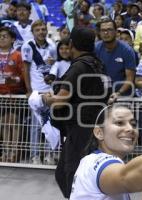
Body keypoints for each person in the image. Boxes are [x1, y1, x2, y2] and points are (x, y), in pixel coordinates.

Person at [41, 27, 111, 198]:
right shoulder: (98, 64)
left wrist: (46, 99)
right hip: (95, 127)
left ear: (72, 43)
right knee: (67, 174)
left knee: (71, 175)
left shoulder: (79, 66)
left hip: (80, 129)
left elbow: (59, 102)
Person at [21, 20, 57, 165]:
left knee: (51, 124)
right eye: (38, 30)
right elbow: (25, 69)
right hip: (36, 92)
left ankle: (50, 154)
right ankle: (34, 156)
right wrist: (29, 90)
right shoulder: (27, 46)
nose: (41, 32)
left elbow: (56, 66)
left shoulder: (53, 46)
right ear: (33, 32)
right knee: (36, 126)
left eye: (43, 29)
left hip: (50, 91)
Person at [0, 26, 25, 163]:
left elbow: (22, 76)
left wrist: (13, 79)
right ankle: (5, 151)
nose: (2, 38)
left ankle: (15, 152)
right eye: (0, 36)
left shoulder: (17, 55)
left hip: (14, 94)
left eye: (5, 36)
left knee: (13, 122)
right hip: (0, 96)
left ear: (13, 39)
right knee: (3, 123)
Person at [95, 18, 136, 101]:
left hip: (122, 95)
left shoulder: (127, 50)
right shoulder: (95, 48)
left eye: (109, 29)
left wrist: (118, 93)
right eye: (103, 30)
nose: (106, 33)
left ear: (116, 32)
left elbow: (130, 78)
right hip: (102, 94)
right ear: (99, 32)